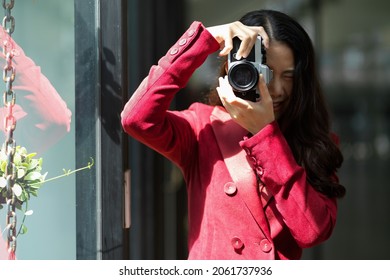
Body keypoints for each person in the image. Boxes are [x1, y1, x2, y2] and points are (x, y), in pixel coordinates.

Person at [121, 9, 346, 260]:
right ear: (237, 68)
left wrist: (265, 133)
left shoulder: (312, 141)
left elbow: (313, 231)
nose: (280, 89)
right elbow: (136, 118)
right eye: (268, 73)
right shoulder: (202, 127)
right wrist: (203, 41)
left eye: (290, 76)